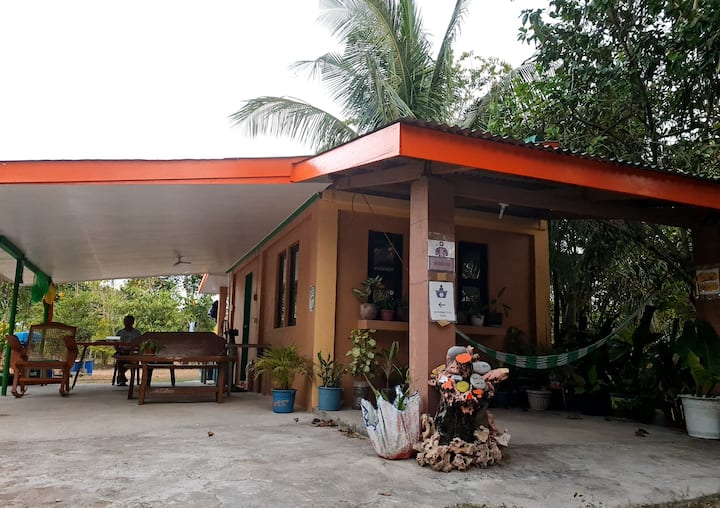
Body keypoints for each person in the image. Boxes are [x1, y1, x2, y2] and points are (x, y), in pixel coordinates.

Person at [114, 315, 142, 386]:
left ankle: (121, 376)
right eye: (125, 321)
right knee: (119, 359)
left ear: (132, 322)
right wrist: (119, 350)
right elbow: (115, 343)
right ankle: (122, 377)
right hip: (122, 351)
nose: (126, 323)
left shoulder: (137, 333)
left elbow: (140, 345)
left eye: (128, 321)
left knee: (131, 360)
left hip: (133, 352)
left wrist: (134, 350)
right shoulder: (120, 332)